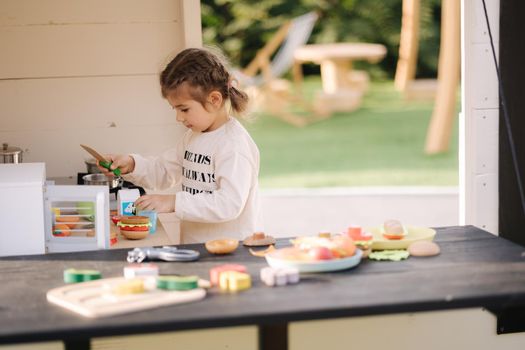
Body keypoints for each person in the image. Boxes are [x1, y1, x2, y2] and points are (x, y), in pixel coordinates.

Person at [100, 47, 263, 243]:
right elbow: (165, 171)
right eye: (175, 109)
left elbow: (229, 204)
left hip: (230, 252)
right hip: (196, 246)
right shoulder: (193, 137)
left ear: (214, 99)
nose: (178, 117)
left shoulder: (234, 146)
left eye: (184, 109)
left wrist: (173, 202)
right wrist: (132, 164)